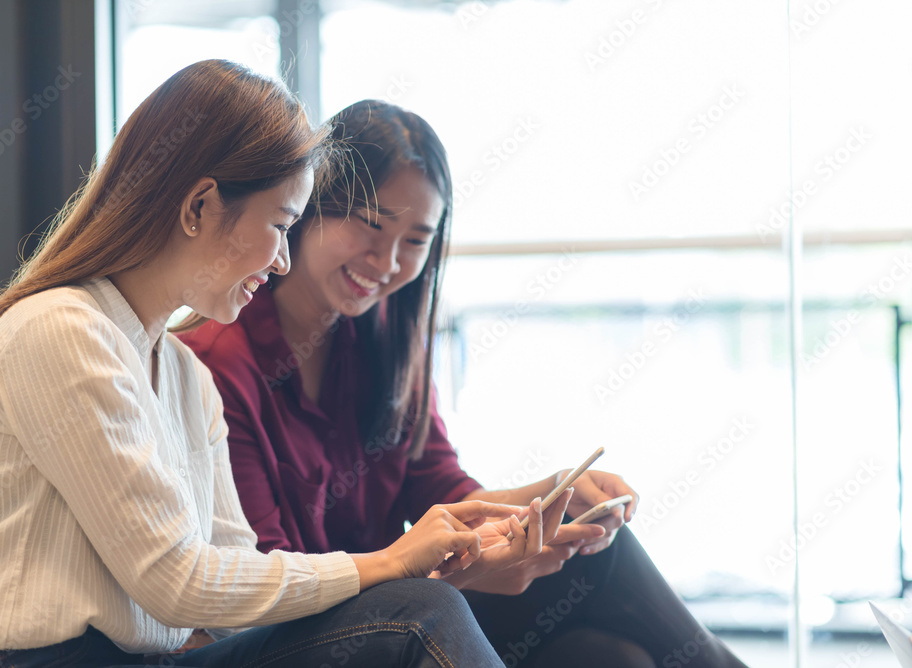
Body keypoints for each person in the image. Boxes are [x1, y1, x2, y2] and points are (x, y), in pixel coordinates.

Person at [0, 63, 545, 668]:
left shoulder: (184, 374)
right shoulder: (61, 330)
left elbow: (234, 577)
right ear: (199, 207)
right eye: (280, 225)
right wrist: (390, 562)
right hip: (8, 660)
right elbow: (174, 581)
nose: (282, 262)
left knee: (423, 609)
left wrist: (405, 571)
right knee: (419, 613)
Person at [179, 100, 751, 668]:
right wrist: (459, 567)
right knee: (592, 576)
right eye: (371, 226)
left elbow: (441, 487)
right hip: (316, 634)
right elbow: (270, 578)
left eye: (415, 240)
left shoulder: (385, 339)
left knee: (608, 653)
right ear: (308, 207)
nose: (387, 261)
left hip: (403, 604)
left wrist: (547, 496)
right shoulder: (220, 361)